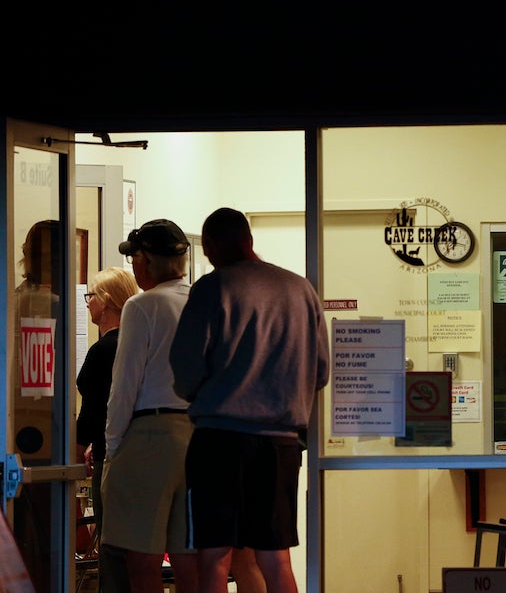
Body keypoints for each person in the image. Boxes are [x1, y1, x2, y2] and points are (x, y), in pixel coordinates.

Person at [171, 207, 330, 593]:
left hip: (218, 441)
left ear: (208, 246)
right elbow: (321, 371)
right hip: (280, 443)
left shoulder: (212, 288)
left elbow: (185, 371)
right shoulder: (300, 289)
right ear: (249, 239)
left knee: (214, 557)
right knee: (275, 557)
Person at [101, 219, 198, 592]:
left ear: (146, 261)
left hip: (150, 435)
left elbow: (124, 385)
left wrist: (113, 446)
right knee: (190, 559)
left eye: (135, 258)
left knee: (142, 559)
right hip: (198, 434)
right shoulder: (202, 301)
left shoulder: (142, 306)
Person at [77, 267, 140, 592]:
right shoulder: (135, 344)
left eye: (91, 297)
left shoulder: (104, 350)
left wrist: (79, 444)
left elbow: (95, 409)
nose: (87, 304)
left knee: (112, 546)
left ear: (108, 301)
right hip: (135, 452)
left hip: (110, 456)